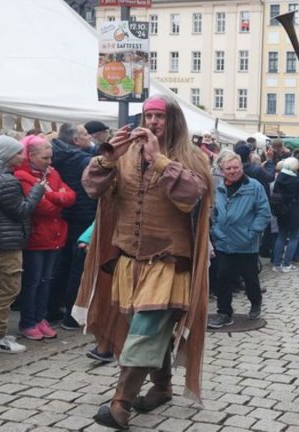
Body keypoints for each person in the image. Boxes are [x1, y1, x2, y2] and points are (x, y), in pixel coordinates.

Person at [76, 95, 212, 430]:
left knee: (147, 327)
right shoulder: (125, 155)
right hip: (128, 258)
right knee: (144, 327)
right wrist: (107, 160)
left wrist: (161, 162)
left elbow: (190, 199)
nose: (152, 122)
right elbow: (93, 189)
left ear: (174, 121)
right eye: (148, 115)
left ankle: (120, 403)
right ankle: (163, 385)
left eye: (160, 117)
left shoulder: (191, 156)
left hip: (168, 260)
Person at [0, 135, 45, 353]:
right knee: (7, 289)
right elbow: (21, 210)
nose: (23, 155)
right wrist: (38, 190)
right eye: (18, 152)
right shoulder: (7, 180)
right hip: (7, 241)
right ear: (8, 156)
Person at [13, 136, 75, 340]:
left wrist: (54, 195)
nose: (50, 161)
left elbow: (71, 196)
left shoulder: (52, 172)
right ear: (31, 156)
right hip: (36, 236)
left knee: (46, 280)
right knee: (33, 281)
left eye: (51, 157)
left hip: (55, 235)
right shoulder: (23, 176)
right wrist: (58, 196)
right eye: (45, 157)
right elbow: (43, 208)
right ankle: (28, 321)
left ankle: (40, 318)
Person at [209, 152, 271, 327]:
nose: (232, 171)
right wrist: (215, 230)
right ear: (222, 170)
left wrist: (253, 232)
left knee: (250, 278)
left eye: (235, 167)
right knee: (223, 279)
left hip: (246, 243)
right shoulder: (219, 188)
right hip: (224, 243)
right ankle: (224, 312)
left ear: (241, 167)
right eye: (228, 168)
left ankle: (255, 301)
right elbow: (214, 211)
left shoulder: (254, 187)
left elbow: (263, 212)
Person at [50, 123, 99, 329]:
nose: (90, 137)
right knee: (77, 267)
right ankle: (72, 316)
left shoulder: (55, 155)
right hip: (84, 215)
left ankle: (51, 309)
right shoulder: (83, 160)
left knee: (62, 264)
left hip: (65, 214)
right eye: (86, 134)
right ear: (75, 141)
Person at [271, 157, 299, 272]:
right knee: (294, 237)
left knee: (281, 236)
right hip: (295, 212)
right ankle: (286, 264)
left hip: (281, 211)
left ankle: (276, 264)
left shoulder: (280, 177)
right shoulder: (295, 180)